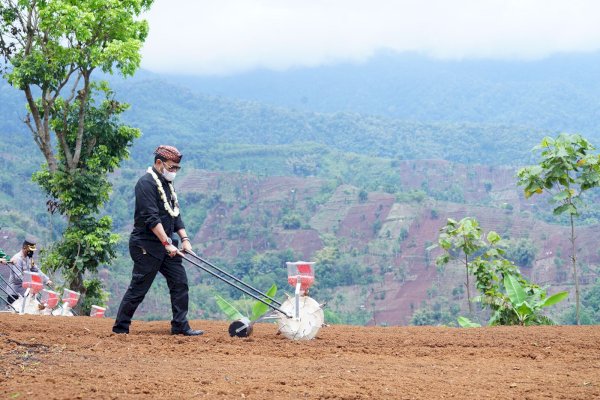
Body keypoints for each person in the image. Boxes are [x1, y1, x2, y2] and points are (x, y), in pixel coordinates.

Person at [112, 145, 203, 336]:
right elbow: (152, 219)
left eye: (177, 169)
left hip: (166, 244)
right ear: (159, 163)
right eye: (172, 167)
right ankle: (120, 329)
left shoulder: (167, 184)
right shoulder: (146, 184)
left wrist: (184, 239)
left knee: (180, 282)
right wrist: (166, 243)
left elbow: (175, 215)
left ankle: (180, 326)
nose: (174, 172)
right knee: (139, 288)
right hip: (146, 245)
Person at [7, 236, 53, 304]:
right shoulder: (17, 259)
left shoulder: (30, 259)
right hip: (15, 292)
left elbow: (36, 270)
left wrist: (46, 280)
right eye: (30, 249)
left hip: (25, 292)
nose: (31, 251)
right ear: (25, 247)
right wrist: (31, 284)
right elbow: (18, 277)